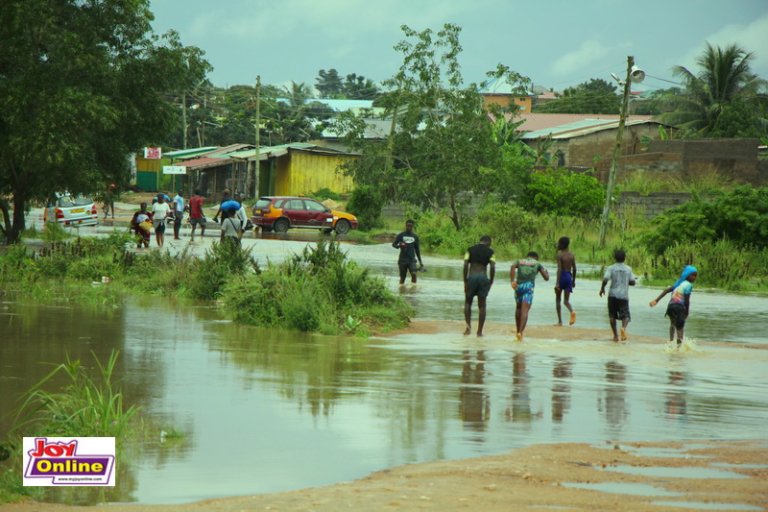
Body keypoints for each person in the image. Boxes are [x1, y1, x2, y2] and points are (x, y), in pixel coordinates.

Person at [649, 265, 698, 347]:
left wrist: (656, 300)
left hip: (671, 306)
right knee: (680, 327)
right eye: (693, 275)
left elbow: (666, 290)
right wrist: (686, 312)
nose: (694, 277)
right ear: (687, 275)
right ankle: (679, 346)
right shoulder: (688, 285)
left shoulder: (678, 284)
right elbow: (687, 300)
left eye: (696, 276)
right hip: (679, 307)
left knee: (673, 323)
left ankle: (671, 341)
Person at [510, 251, 550, 342]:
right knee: (525, 311)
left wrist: (512, 281)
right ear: (536, 258)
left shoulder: (519, 261)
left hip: (518, 287)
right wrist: (547, 273)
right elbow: (546, 278)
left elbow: (512, 266)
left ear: (527, 256)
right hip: (528, 287)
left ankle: (517, 332)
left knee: (518, 308)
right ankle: (520, 332)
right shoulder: (537, 264)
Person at [599, 249, 636, 342]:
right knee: (626, 315)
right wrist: (626, 281)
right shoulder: (628, 269)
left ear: (614, 258)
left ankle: (615, 336)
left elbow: (605, 279)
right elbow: (633, 282)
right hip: (623, 296)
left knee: (612, 316)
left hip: (612, 295)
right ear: (624, 258)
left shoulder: (611, 268)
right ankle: (623, 328)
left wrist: (602, 288)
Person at [463, 235, 496, 337]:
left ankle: (468, 329)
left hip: (472, 277)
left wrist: (465, 280)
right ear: (489, 242)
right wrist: (491, 280)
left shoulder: (470, 250)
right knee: (482, 305)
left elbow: (465, 264)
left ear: (480, 241)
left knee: (468, 302)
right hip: (483, 278)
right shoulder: (491, 252)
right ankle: (479, 332)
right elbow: (492, 267)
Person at [392, 219, 423, 285]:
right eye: (408, 226)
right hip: (402, 260)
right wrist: (399, 246)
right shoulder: (401, 235)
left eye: (410, 226)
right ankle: (401, 290)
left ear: (412, 226)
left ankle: (413, 288)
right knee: (402, 278)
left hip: (411, 260)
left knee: (414, 274)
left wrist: (420, 262)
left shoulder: (415, 237)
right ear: (405, 226)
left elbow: (417, 250)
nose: (409, 227)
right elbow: (394, 244)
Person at [555, 236, 577, 326]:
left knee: (558, 299)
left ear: (562, 245)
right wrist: (573, 281)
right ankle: (572, 311)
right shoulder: (571, 255)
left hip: (562, 276)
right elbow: (575, 269)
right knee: (566, 301)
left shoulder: (559, 255)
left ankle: (560, 321)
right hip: (569, 276)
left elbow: (559, 269)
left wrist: (557, 283)